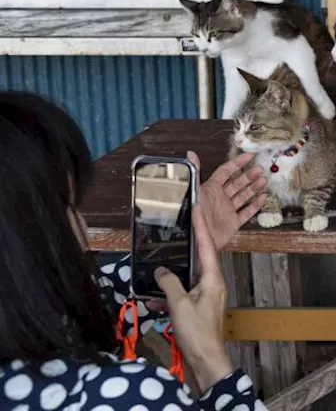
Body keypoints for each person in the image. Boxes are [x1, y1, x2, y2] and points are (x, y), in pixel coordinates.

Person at [0, 93, 270, 410]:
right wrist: (207, 358)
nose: (82, 224)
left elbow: (84, 308)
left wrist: (172, 255)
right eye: (70, 206)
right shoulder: (126, 395)